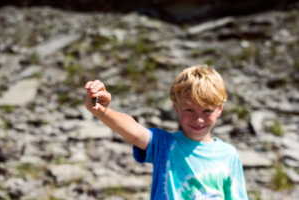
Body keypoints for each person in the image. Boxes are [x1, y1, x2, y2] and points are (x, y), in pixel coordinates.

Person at [85, 65, 248, 200]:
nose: (198, 119)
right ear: (176, 108)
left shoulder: (229, 155)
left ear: (219, 109)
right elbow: (134, 130)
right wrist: (103, 112)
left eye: (207, 111)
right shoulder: (164, 144)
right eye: (189, 110)